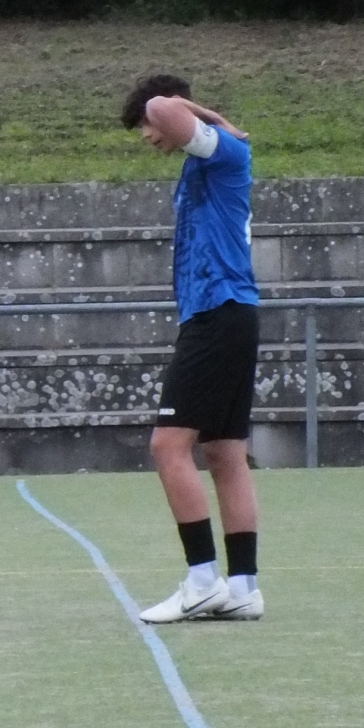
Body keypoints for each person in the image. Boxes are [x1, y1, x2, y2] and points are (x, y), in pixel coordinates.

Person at [122, 75, 265, 623]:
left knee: (167, 446)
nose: (147, 134)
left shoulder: (222, 151)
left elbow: (164, 105)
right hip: (226, 315)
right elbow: (171, 114)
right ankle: (244, 586)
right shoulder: (208, 155)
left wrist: (183, 105)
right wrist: (206, 116)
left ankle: (202, 580)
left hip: (218, 314)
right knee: (225, 452)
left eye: (145, 125)